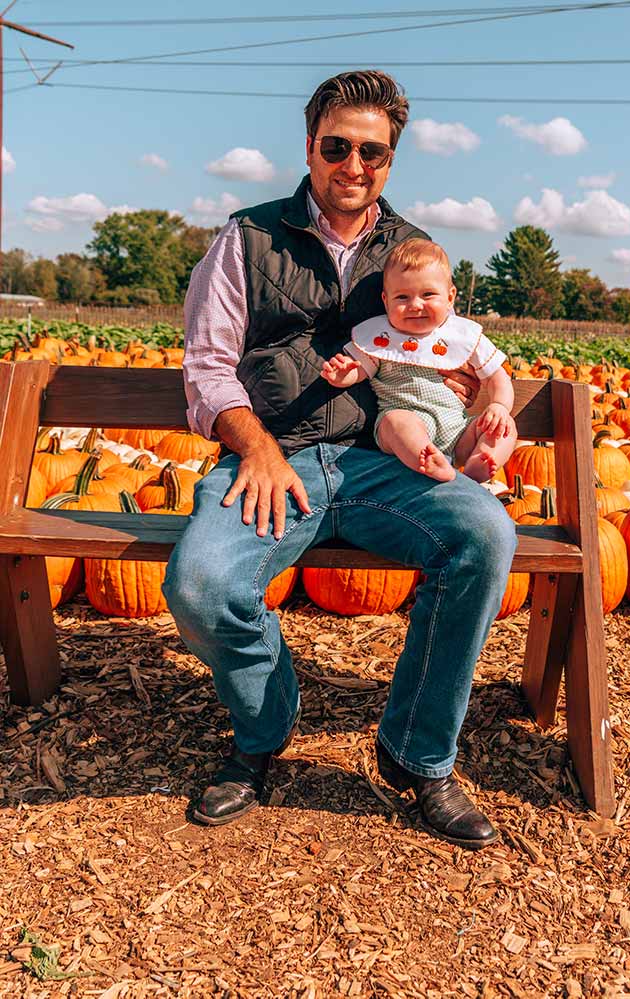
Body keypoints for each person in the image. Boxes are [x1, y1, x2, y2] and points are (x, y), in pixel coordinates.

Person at [162, 70, 517, 850]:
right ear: (310, 145)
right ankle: (263, 728)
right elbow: (208, 367)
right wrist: (252, 444)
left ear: (391, 159)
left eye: (373, 151)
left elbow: (469, 357)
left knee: (484, 537)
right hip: (273, 458)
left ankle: (416, 753)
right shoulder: (246, 239)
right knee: (200, 584)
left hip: (379, 459)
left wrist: (494, 411)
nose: (353, 165)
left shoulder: (410, 252)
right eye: (337, 146)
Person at [320, 239, 518, 483]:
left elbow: (498, 377)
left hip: (456, 428)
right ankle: (427, 460)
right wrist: (342, 375)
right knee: (396, 423)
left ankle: (482, 460)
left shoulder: (462, 336)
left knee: (504, 427)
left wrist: (499, 406)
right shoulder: (380, 337)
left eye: (428, 295)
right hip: (406, 421)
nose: (415, 305)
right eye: (402, 297)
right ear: (385, 300)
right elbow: (359, 370)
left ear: (450, 297)